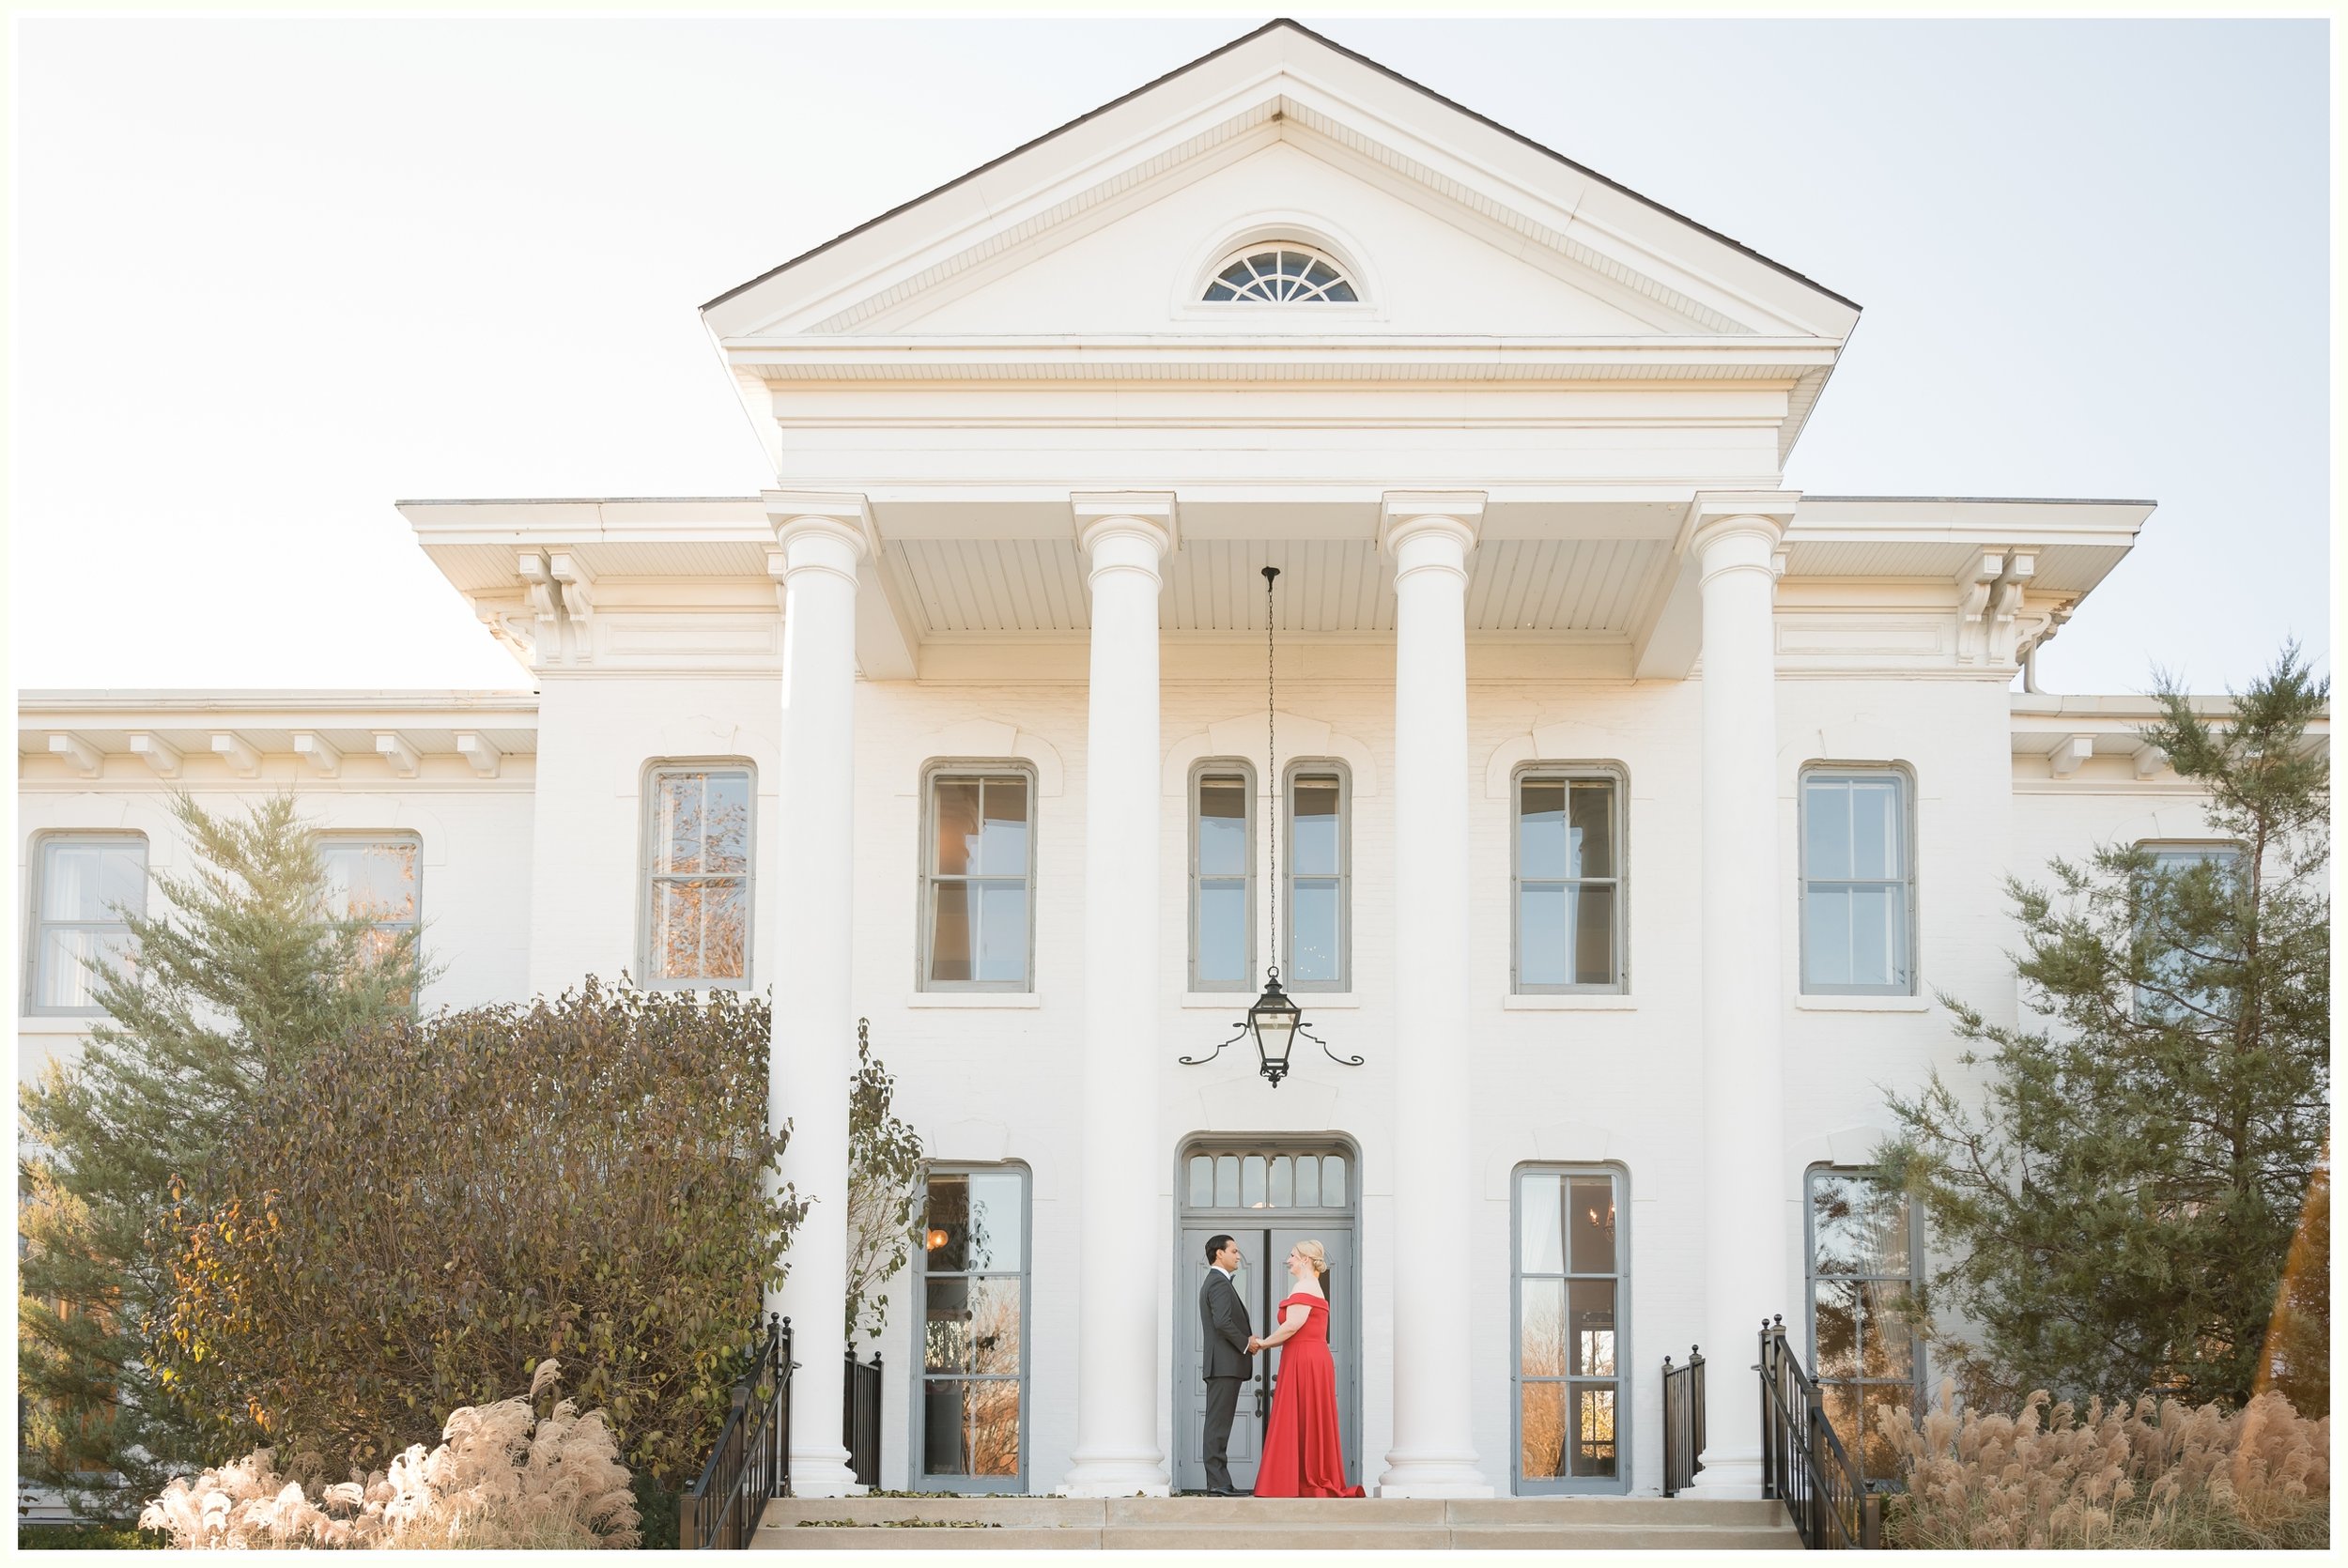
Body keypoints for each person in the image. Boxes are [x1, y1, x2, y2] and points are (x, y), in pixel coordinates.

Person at [1248, 1238, 1364, 1499]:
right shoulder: (1314, 1286)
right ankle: (1301, 1477)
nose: (1288, 1260)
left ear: (1305, 1260)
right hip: (1309, 1356)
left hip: (1304, 1357)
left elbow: (1292, 1326)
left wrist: (1263, 1344)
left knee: (1300, 1413)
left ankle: (1299, 1480)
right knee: (1307, 1415)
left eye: (1292, 1255)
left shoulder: (1305, 1285)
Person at [1197, 1233, 1255, 1497]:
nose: (1238, 1255)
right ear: (1219, 1253)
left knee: (1219, 1425)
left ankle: (1220, 1481)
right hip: (1223, 1365)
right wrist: (1246, 1343)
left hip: (1224, 1365)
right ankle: (1218, 1483)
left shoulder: (1219, 1282)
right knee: (1217, 1426)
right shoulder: (1218, 1283)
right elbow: (1222, 1322)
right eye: (1234, 1251)